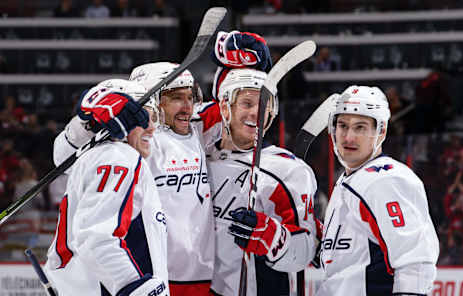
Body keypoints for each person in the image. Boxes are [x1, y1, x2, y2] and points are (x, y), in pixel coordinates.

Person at [52, 66, 214, 296]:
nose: (151, 126)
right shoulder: (117, 154)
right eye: (176, 97)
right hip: (116, 282)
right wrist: (94, 116)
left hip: (169, 275)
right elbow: (63, 156)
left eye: (190, 97)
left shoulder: (187, 132)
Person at [193, 30, 318, 295]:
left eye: (264, 104)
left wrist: (274, 237)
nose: (256, 112)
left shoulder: (287, 170)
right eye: (247, 103)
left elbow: (306, 250)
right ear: (225, 108)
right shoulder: (196, 158)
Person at [45, 80, 170, 295]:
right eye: (143, 118)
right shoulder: (118, 157)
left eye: (154, 117)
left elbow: (63, 155)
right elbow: (97, 238)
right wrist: (132, 286)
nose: (152, 127)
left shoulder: (100, 156)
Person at [315, 85, 439, 296]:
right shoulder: (349, 180)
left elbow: (415, 261)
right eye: (343, 126)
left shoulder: (386, 180)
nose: (348, 137)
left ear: (380, 131)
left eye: (360, 127)